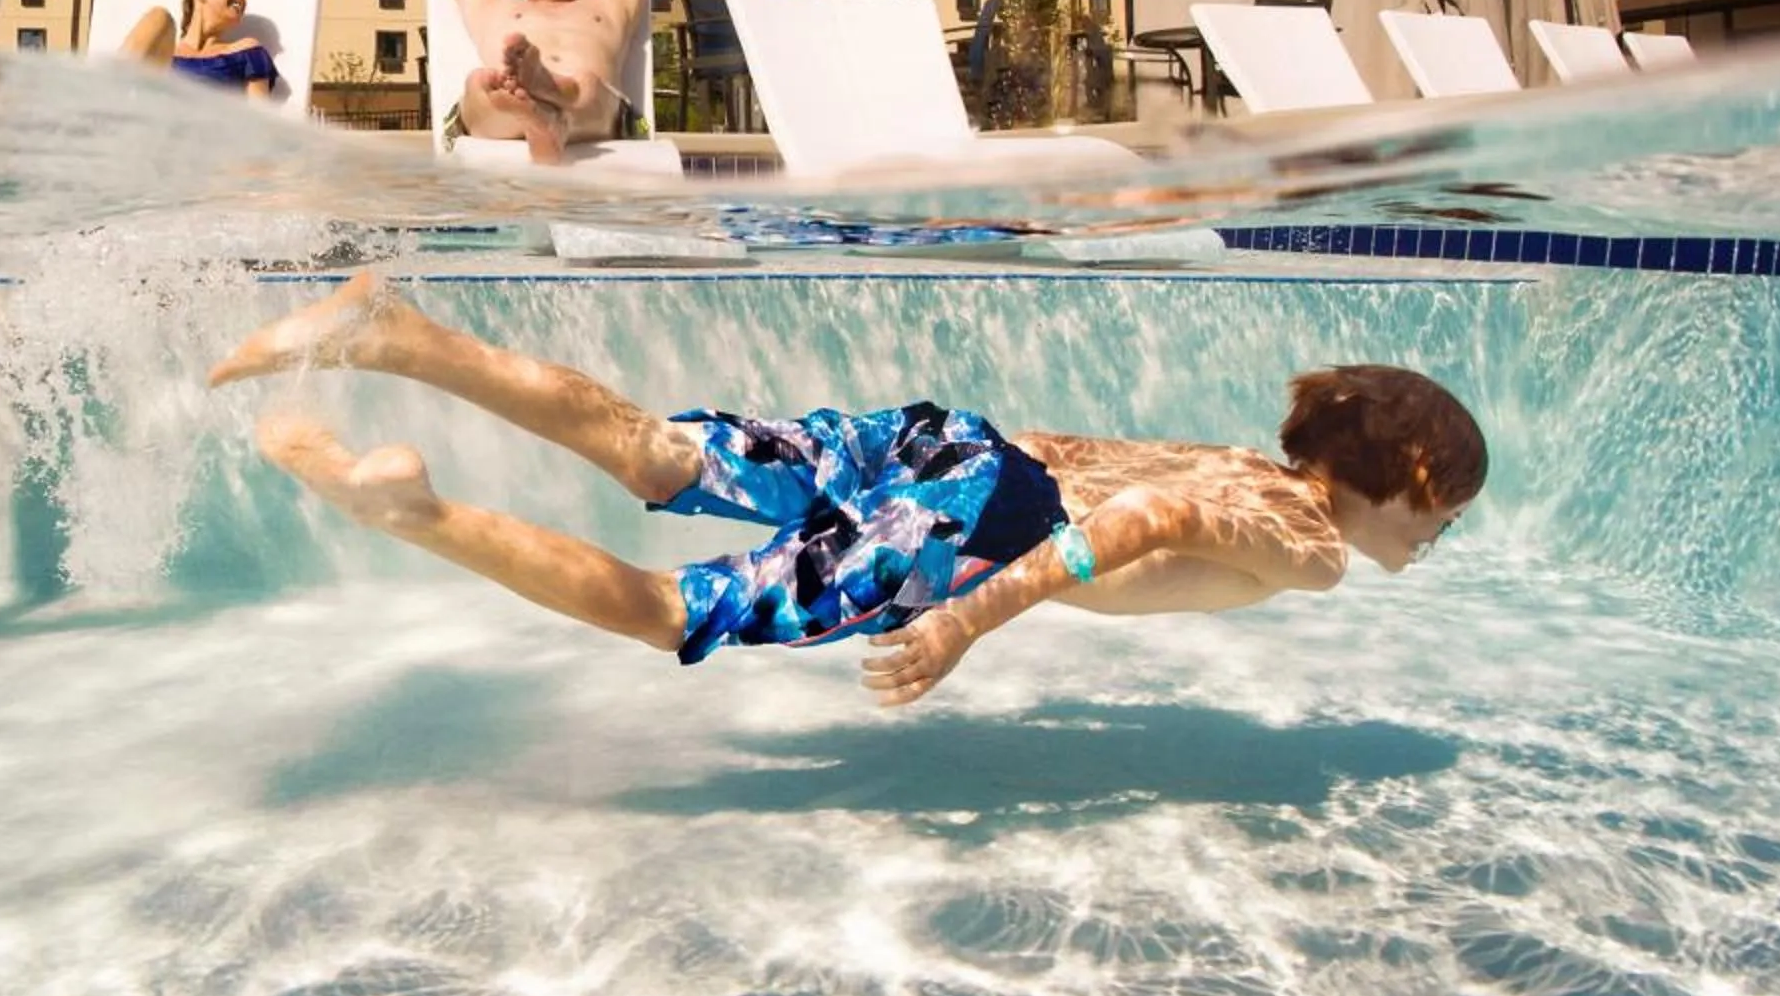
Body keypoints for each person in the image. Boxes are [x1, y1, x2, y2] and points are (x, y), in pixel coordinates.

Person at [210, 275, 1482, 705]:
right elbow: (1140, 521)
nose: (1440, 534)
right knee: (669, 609)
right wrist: (966, 615)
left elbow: (1085, 459)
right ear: (1412, 478)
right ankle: (414, 513)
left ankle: (396, 334)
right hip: (981, 520)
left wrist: (943, 492)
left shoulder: (1244, 463)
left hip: (953, 446)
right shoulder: (1305, 541)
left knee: (654, 452)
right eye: (1446, 511)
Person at [444, 0, 658, 165]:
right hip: (503, 108)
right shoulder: (496, 4)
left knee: (587, 84)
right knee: (479, 82)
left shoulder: (609, 3)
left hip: (595, 111)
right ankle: (544, 116)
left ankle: (549, 94)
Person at [119, 0, 283, 102]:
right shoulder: (162, 53)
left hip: (209, 129)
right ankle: (110, 94)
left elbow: (259, 116)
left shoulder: (248, 51)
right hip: (152, 122)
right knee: (159, 16)